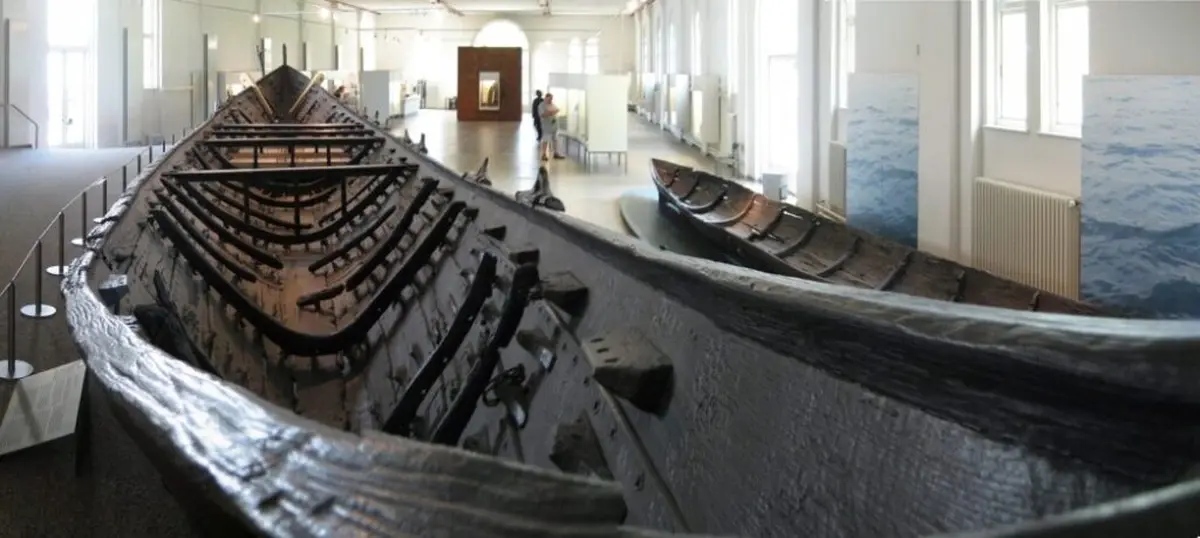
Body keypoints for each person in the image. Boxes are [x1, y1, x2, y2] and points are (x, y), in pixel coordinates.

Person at [537, 93, 565, 161]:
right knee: (546, 140)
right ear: (546, 98)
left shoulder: (552, 104)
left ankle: (556, 153)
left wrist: (552, 112)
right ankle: (543, 154)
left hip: (554, 126)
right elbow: (543, 114)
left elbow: (557, 110)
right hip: (547, 127)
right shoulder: (541, 105)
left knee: (555, 140)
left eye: (551, 99)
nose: (551, 100)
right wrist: (551, 113)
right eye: (549, 99)